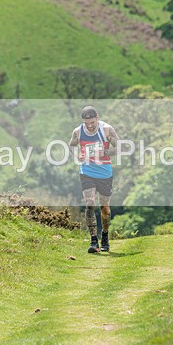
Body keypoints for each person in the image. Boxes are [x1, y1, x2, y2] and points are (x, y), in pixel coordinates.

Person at [68, 106, 119, 253]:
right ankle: (93, 241)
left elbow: (120, 147)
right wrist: (77, 155)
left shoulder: (107, 130)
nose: (90, 126)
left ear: (97, 118)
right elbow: (71, 145)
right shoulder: (78, 131)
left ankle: (105, 236)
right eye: (87, 123)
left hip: (104, 173)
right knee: (89, 204)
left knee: (104, 208)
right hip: (87, 171)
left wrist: (106, 151)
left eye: (92, 122)